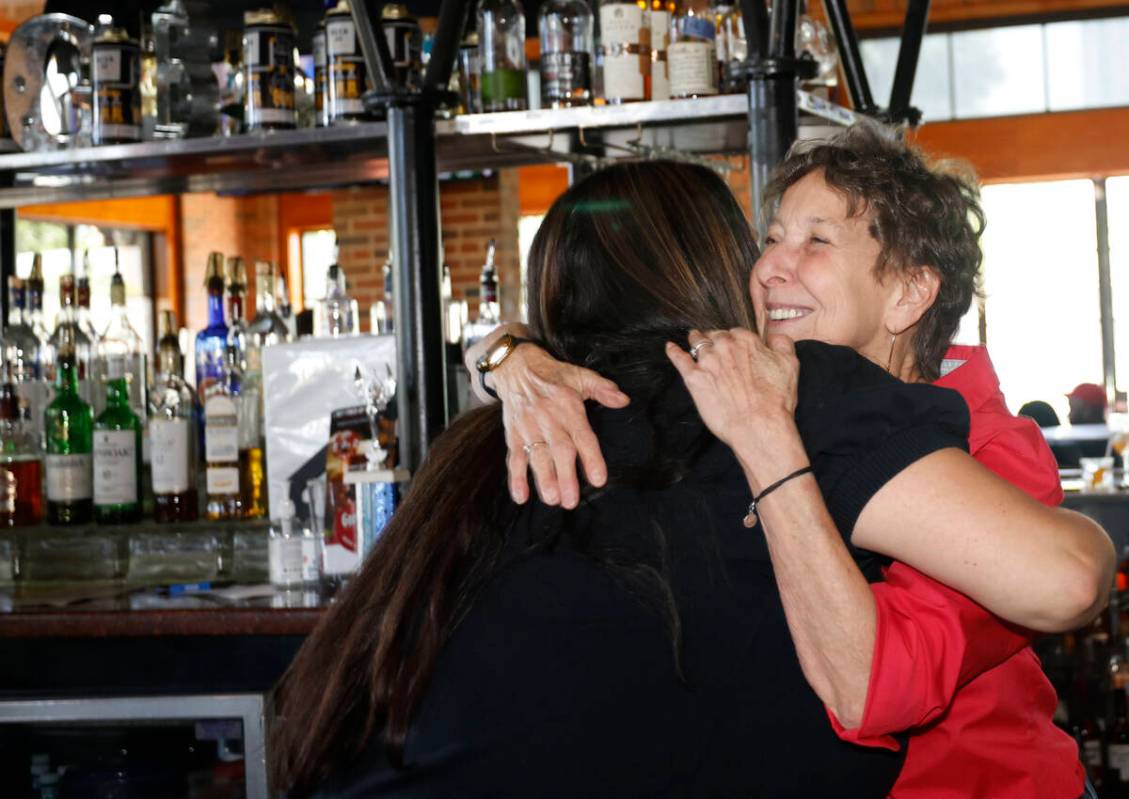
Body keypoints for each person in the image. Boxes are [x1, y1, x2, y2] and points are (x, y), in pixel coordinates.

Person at [269, 161, 1105, 798]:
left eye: (813, 242)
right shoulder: (768, 397)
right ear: (716, 267)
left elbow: (1048, 584)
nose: (774, 267)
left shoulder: (496, 440)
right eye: (767, 240)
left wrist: (504, 355)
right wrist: (505, 353)